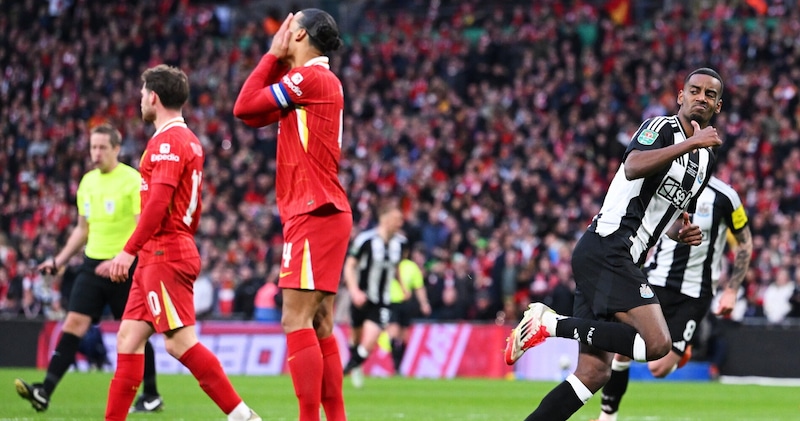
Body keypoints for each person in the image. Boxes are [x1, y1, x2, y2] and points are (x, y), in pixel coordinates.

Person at [504, 67, 725, 420]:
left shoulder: (704, 160)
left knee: (594, 374)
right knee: (658, 344)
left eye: (709, 94)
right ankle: (550, 324)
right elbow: (633, 166)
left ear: (718, 105)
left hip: (618, 257)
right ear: (681, 96)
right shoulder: (661, 128)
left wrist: (678, 232)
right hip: (609, 247)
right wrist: (691, 142)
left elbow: (665, 214)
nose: (701, 97)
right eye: (694, 90)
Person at [104, 64, 260, 421]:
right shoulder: (182, 140)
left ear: (153, 97)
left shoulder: (168, 142)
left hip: (165, 251)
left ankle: (243, 417)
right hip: (157, 253)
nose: (140, 100)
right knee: (128, 339)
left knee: (179, 343)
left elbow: (159, 203)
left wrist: (127, 250)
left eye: (142, 94)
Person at [233, 9, 351, 421]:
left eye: (290, 23)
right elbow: (254, 116)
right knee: (319, 323)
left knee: (294, 319)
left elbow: (243, 105)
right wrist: (283, 64)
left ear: (298, 33)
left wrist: (270, 56)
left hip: (313, 209)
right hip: (326, 209)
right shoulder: (317, 81)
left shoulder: (310, 79)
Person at [14, 124, 163, 413]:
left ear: (116, 148)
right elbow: (82, 229)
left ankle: (151, 395)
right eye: (93, 147)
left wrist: (126, 257)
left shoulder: (132, 180)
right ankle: (44, 391)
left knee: (135, 334)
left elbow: (141, 224)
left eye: (102, 147)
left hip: (124, 266)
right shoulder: (87, 182)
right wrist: (59, 260)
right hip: (92, 264)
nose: (96, 153)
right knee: (73, 324)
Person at [594, 176, 753, 421]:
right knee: (623, 347)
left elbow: (744, 243)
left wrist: (731, 290)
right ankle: (607, 416)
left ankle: (681, 345)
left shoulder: (726, 197)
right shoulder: (669, 184)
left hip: (695, 293)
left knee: (658, 369)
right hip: (657, 280)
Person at [341, 205, 407, 385]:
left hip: (382, 301)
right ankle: (355, 365)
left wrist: (402, 286)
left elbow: (396, 267)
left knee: (370, 341)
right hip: (361, 297)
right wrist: (354, 291)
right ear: (385, 219)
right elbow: (349, 266)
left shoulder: (401, 243)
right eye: (397, 219)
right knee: (355, 337)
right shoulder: (365, 240)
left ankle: (345, 371)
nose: (400, 223)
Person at [387, 245, 431, 374]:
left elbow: (419, 287)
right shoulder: (391, 264)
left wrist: (424, 303)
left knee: (404, 336)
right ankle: (395, 365)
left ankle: (399, 365)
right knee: (393, 333)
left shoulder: (411, 267)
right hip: (392, 302)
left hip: (406, 304)